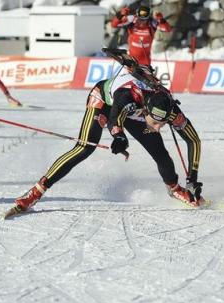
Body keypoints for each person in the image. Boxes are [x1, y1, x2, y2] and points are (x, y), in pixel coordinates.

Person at [11, 63, 203, 215]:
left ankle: (175, 188)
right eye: (156, 122)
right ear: (146, 109)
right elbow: (114, 119)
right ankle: (36, 192)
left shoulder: (170, 110)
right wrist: (119, 137)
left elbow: (193, 140)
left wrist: (192, 177)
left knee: (160, 153)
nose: (159, 127)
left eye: (163, 123)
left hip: (136, 112)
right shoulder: (126, 96)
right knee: (84, 148)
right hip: (104, 100)